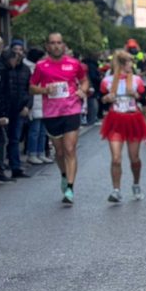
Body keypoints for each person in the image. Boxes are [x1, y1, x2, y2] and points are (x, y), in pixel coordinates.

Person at [29, 33, 90, 204]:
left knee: (70, 149)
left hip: (71, 109)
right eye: (52, 43)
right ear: (47, 46)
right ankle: (64, 174)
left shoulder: (74, 63)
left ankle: (70, 188)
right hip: (51, 113)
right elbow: (32, 87)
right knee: (60, 152)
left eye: (59, 43)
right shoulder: (41, 66)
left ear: (63, 45)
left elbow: (84, 80)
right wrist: (44, 90)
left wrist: (82, 90)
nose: (56, 46)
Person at [99, 50, 146, 202]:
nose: (131, 65)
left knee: (134, 158)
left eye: (131, 62)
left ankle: (136, 184)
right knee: (116, 158)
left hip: (132, 119)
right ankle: (116, 190)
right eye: (128, 62)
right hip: (115, 120)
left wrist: (135, 95)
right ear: (120, 64)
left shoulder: (136, 80)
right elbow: (102, 99)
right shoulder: (107, 81)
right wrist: (106, 98)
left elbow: (143, 98)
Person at [0, 42, 33, 179]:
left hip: (20, 109)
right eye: (15, 50)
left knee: (15, 139)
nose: (18, 52)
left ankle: (15, 167)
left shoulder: (26, 70)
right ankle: (1, 167)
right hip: (6, 109)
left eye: (20, 50)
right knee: (3, 139)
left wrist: (27, 106)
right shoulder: (5, 68)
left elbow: (30, 90)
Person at [24, 47, 51, 165]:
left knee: (43, 131)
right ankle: (32, 153)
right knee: (35, 130)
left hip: (44, 101)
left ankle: (41, 152)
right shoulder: (30, 69)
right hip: (35, 102)